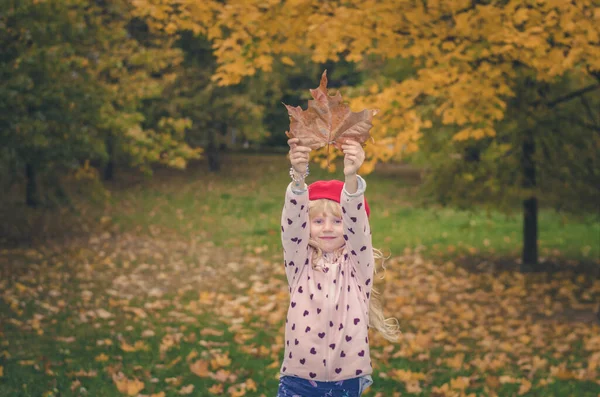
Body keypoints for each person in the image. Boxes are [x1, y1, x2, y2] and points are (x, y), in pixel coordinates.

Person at [278, 138, 400, 396]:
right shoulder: (299, 264)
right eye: (318, 220)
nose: (327, 228)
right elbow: (291, 228)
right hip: (298, 379)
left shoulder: (358, 266)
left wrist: (352, 178)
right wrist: (299, 179)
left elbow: (358, 229)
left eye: (337, 221)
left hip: (346, 380)